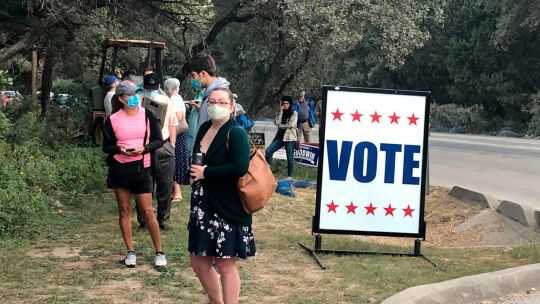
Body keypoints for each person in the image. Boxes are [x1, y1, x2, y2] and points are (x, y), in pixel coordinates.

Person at [189, 88, 255, 304]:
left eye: (222, 102)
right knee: (199, 261)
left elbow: (240, 167)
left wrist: (206, 172)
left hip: (228, 206)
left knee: (225, 264)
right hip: (202, 204)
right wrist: (195, 173)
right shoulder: (205, 127)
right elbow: (198, 158)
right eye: (212, 101)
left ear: (232, 106)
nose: (216, 105)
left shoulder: (235, 132)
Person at [102, 81, 167, 268]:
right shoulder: (112, 119)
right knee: (124, 210)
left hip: (142, 167)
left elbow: (158, 141)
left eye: (136, 94)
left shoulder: (148, 115)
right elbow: (106, 147)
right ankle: (130, 251)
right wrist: (119, 148)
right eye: (130, 95)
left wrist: (144, 148)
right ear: (121, 98)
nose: (135, 98)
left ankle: (159, 251)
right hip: (120, 169)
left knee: (147, 211)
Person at [138, 72, 178, 230]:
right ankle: (162, 219)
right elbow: (173, 125)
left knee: (145, 184)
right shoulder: (166, 100)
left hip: (147, 146)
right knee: (164, 185)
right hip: (160, 145)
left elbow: (172, 123)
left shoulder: (138, 101)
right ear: (159, 86)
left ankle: (145, 219)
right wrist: (172, 145)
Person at [163, 78, 190, 202]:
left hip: (176, 133)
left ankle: (177, 192)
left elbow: (178, 116)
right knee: (176, 160)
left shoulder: (173, 99)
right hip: (180, 133)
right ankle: (175, 191)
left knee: (174, 160)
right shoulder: (178, 97)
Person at [187, 55, 230, 128]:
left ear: (203, 73)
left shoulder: (218, 97)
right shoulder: (208, 94)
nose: (193, 79)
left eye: (193, 75)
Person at [265, 96, 298, 178]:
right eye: (283, 103)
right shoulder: (281, 112)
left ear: (290, 104)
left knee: (290, 158)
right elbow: (276, 122)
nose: (285, 105)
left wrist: (281, 126)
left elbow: (291, 125)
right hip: (280, 137)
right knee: (268, 151)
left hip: (289, 137)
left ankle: (289, 176)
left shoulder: (294, 113)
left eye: (287, 103)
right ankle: (268, 171)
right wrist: (281, 111)